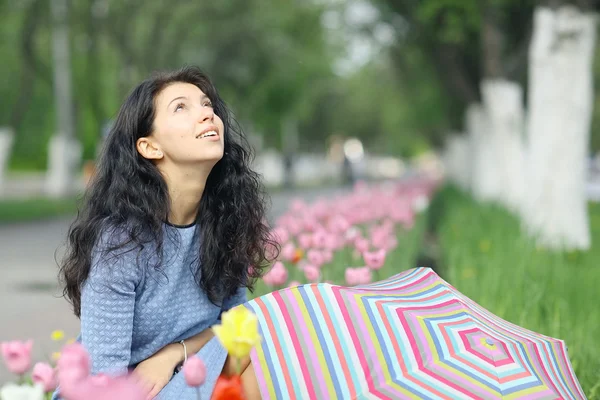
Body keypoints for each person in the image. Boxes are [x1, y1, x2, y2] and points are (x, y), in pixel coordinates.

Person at [55, 66, 275, 399]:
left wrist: (175, 353)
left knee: (271, 349)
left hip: (189, 372)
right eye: (181, 107)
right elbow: (103, 380)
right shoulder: (121, 244)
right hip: (126, 391)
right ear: (150, 147)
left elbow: (239, 328)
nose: (206, 114)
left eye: (206, 105)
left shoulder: (226, 223)